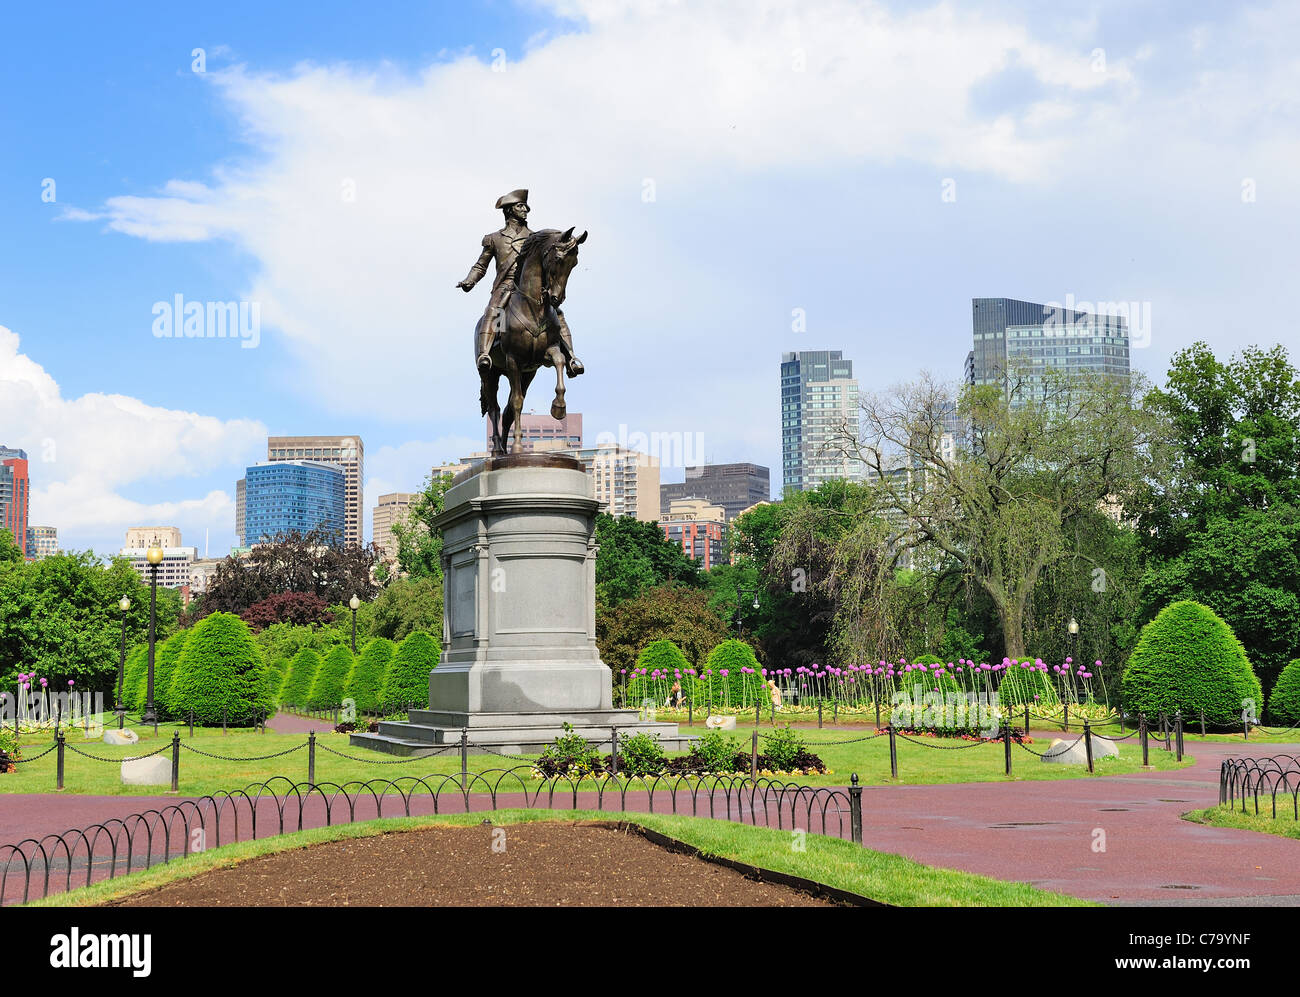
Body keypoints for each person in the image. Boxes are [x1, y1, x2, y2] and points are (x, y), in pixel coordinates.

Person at [457, 188, 584, 377]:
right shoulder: (494, 239)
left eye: (526, 206)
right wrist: (470, 280)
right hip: (505, 285)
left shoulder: (535, 238)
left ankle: (571, 357)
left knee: (557, 313)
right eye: (520, 206)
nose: (525, 209)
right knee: (495, 310)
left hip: (531, 287)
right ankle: (485, 353)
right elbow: (480, 266)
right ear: (509, 210)